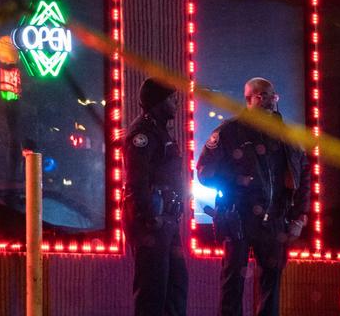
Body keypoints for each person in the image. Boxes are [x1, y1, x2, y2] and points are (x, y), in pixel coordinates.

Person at [197, 77, 311, 316]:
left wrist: (299, 216)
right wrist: (235, 181)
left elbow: (304, 175)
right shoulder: (229, 132)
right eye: (267, 95)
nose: (272, 101)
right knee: (233, 282)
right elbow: (204, 172)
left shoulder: (286, 136)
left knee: (271, 281)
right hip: (237, 217)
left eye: (273, 96)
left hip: (275, 218)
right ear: (254, 98)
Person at [123, 77, 189, 316]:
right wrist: (152, 216)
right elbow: (137, 180)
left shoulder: (160, 131)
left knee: (176, 286)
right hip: (152, 222)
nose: (175, 103)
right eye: (171, 98)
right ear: (159, 101)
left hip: (166, 220)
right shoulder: (143, 134)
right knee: (152, 291)